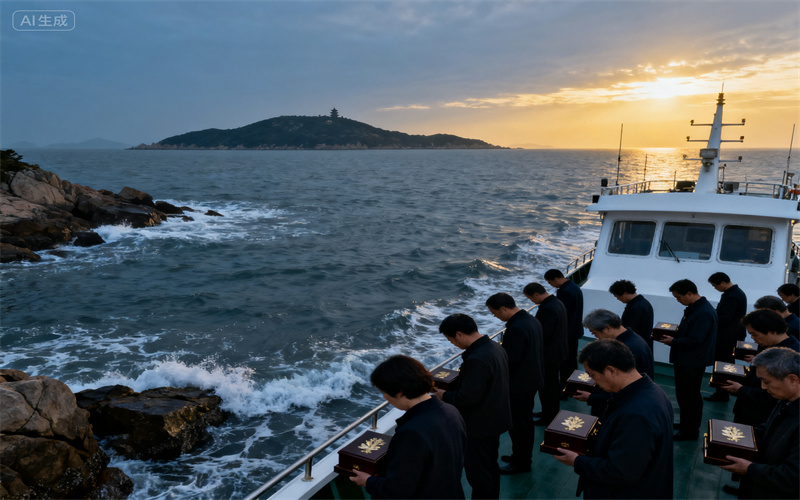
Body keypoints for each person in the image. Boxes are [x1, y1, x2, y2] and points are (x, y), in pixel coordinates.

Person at [552, 339, 673, 499]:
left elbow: (620, 472)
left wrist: (577, 461)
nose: (594, 383)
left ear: (610, 370)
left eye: (593, 376)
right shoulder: (652, 391)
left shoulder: (637, 415)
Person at [349, 355, 467, 499]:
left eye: (384, 392)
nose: (385, 397)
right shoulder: (451, 411)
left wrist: (368, 481)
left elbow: (398, 490)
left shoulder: (411, 433)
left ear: (399, 391)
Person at [434, 313, 511, 499]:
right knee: (489, 467)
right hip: (495, 418)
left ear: (459, 334)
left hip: (479, 426)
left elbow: (467, 397)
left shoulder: (477, 358)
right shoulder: (494, 347)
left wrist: (442, 395)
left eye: (450, 339)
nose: (452, 343)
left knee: (479, 474)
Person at [719, 347, 800, 500]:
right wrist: (738, 437)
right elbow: (770, 426)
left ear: (792, 379)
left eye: (766, 381)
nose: (763, 387)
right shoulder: (785, 399)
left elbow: (793, 477)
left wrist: (750, 469)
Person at [485, 292, 544, 474]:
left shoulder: (516, 328)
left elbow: (511, 359)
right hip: (531, 379)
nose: (495, 316)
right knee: (524, 422)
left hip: (519, 384)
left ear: (504, 308)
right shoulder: (530, 319)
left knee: (519, 425)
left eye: (495, 313)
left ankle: (522, 462)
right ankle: (519, 455)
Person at [656, 279, 717, 441]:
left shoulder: (703, 312)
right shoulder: (696, 308)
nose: (678, 301)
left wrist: (673, 341)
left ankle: (690, 431)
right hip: (688, 360)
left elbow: (696, 339)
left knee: (690, 396)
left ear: (689, 293)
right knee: (684, 395)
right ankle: (685, 424)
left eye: (679, 297)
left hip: (692, 361)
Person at [722, 310, 800, 426]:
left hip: (761, 417)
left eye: (755, 334)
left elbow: (775, 395)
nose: (753, 339)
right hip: (750, 409)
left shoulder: (790, 355)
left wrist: (742, 390)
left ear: (770, 331)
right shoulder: (770, 347)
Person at [574, 309, 655, 416]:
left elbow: (620, 385)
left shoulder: (628, 348)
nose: (596, 338)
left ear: (607, 328)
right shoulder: (632, 339)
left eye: (596, 333)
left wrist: (592, 398)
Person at [523, 282, 568, 426]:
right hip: (557, 351)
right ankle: (548, 412)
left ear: (536, 294)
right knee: (552, 386)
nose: (532, 301)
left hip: (548, 355)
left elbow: (543, 333)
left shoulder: (548, 308)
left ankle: (549, 417)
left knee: (547, 388)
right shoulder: (556, 302)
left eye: (531, 298)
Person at [705, 272, 748, 402]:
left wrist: (711, 315)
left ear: (722, 283)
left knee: (723, 365)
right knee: (727, 364)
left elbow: (726, 317)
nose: (715, 288)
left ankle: (722, 394)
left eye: (715, 286)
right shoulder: (736, 293)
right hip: (732, 335)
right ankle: (723, 392)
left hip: (727, 337)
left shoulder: (732, 296)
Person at [544, 269, 584, 392]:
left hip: (567, 332)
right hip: (575, 330)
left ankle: (566, 388)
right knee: (571, 360)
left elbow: (561, 313)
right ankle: (572, 386)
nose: (551, 285)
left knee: (565, 362)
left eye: (550, 282)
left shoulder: (564, 292)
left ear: (556, 278)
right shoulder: (574, 287)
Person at [608, 279, 654, 351]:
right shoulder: (644, 302)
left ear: (625, 293)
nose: (618, 299)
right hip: (644, 343)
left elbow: (629, 329)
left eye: (618, 297)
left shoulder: (635, 308)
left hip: (636, 346)